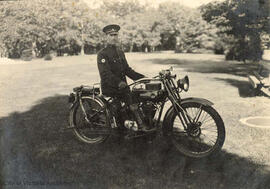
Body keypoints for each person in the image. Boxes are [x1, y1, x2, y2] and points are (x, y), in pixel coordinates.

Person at [97, 24, 153, 132]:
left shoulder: (120, 52)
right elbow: (105, 74)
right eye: (111, 35)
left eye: (116, 35)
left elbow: (127, 70)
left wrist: (142, 78)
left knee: (141, 96)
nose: (114, 37)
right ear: (106, 37)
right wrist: (119, 83)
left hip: (123, 87)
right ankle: (140, 126)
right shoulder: (102, 54)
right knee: (130, 99)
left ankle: (139, 121)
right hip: (111, 87)